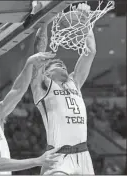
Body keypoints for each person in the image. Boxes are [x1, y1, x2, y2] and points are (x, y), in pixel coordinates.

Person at [30, 3, 96, 175]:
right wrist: (44, 18)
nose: (61, 63)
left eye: (63, 64)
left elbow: (90, 51)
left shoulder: (74, 82)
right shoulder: (43, 87)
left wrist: (85, 21)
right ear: (46, 72)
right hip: (58, 157)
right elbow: (38, 52)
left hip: (84, 155)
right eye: (55, 63)